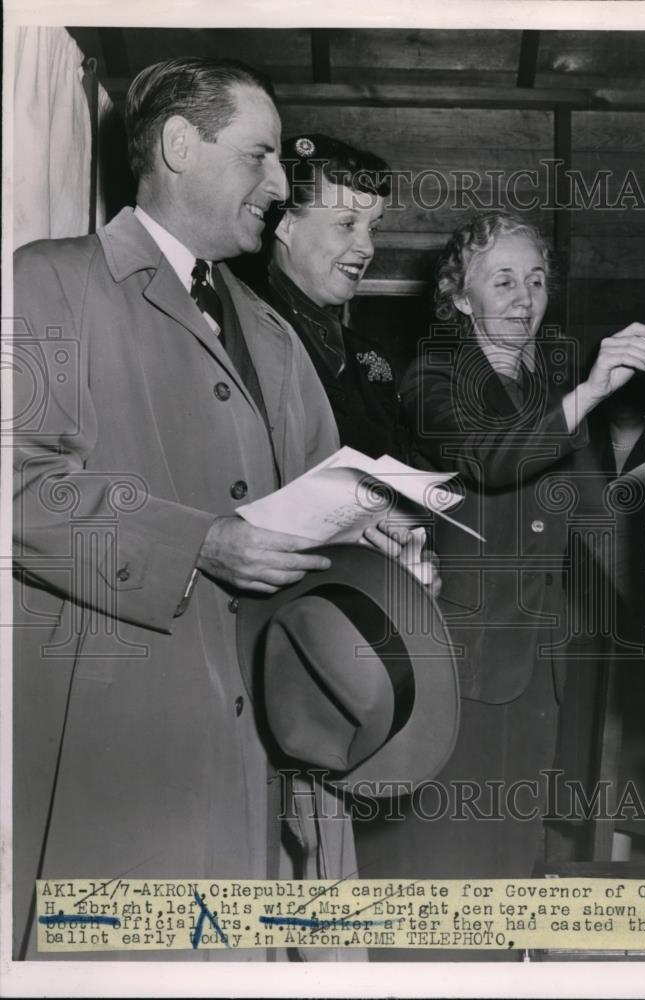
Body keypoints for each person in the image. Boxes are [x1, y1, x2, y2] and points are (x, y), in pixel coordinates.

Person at [11, 57, 373, 962]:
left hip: (261, 738)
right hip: (125, 742)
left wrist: (379, 542)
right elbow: (18, 485)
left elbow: (323, 494)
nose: (281, 185)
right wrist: (200, 543)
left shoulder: (272, 330)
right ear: (179, 145)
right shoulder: (48, 281)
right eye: (258, 156)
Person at [356, 210, 645, 961]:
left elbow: (597, 519)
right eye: (502, 280)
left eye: (535, 280)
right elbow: (491, 457)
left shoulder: (546, 387)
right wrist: (590, 393)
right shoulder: (433, 376)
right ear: (460, 297)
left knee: (503, 878)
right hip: (452, 661)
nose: (524, 297)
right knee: (435, 878)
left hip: (536, 666)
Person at [233, 133, 408, 462]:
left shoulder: (369, 358)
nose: (367, 248)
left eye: (373, 228)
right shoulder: (238, 329)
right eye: (346, 224)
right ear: (286, 225)